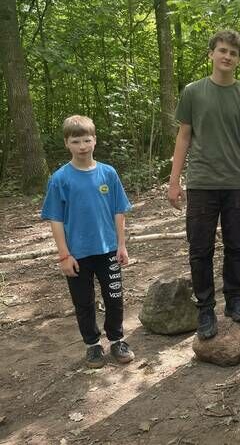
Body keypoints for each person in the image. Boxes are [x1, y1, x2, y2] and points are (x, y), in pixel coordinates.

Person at [168, 30, 240, 340]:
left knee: (237, 246)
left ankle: (234, 299)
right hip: (201, 183)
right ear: (211, 53)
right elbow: (184, 137)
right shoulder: (193, 92)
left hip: (237, 183)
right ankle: (205, 308)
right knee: (200, 248)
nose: (227, 56)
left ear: (238, 59)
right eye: (222, 50)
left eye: (233, 53)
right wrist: (174, 181)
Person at [41, 115, 134, 368]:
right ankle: (92, 345)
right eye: (75, 141)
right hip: (77, 254)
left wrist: (121, 245)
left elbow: (119, 211)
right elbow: (56, 219)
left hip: (108, 250)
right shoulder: (60, 179)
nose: (82, 146)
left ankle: (117, 340)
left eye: (86, 140)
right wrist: (64, 255)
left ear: (95, 140)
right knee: (83, 302)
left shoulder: (108, 173)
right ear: (66, 143)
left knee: (114, 297)